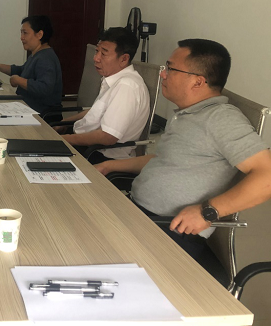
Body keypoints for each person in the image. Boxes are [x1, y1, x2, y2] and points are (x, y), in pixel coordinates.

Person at [95, 39, 271, 275]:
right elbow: (164, 159)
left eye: (170, 69)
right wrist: (109, 165)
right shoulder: (188, 114)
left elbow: (267, 176)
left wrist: (208, 212)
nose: (163, 75)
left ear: (198, 81)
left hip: (168, 231)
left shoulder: (221, 118)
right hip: (139, 214)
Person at [57, 27, 149, 164]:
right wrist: (63, 123)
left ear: (124, 59)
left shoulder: (126, 87)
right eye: (97, 51)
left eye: (104, 54)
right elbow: (97, 111)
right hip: (86, 142)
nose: (96, 58)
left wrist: (65, 139)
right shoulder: (114, 79)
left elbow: (107, 137)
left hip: (99, 154)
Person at [0, 15, 62, 115]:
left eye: (25, 33)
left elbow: (44, 88)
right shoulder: (37, 54)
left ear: (39, 34)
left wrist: (18, 80)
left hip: (41, 114)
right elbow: (22, 70)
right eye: (21, 33)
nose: (21, 37)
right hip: (27, 107)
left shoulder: (45, 58)